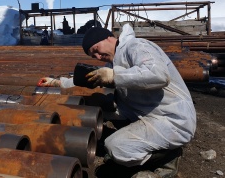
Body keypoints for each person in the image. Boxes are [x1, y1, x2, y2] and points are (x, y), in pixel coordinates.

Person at [38, 24, 197, 178]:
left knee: (116, 147)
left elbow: (159, 74)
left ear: (108, 38)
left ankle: (167, 157)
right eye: (94, 56)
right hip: (148, 113)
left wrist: (114, 76)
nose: (98, 57)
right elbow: (88, 81)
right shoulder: (114, 62)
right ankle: (149, 148)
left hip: (174, 118)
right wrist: (58, 83)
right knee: (100, 105)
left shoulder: (136, 46)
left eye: (96, 50)